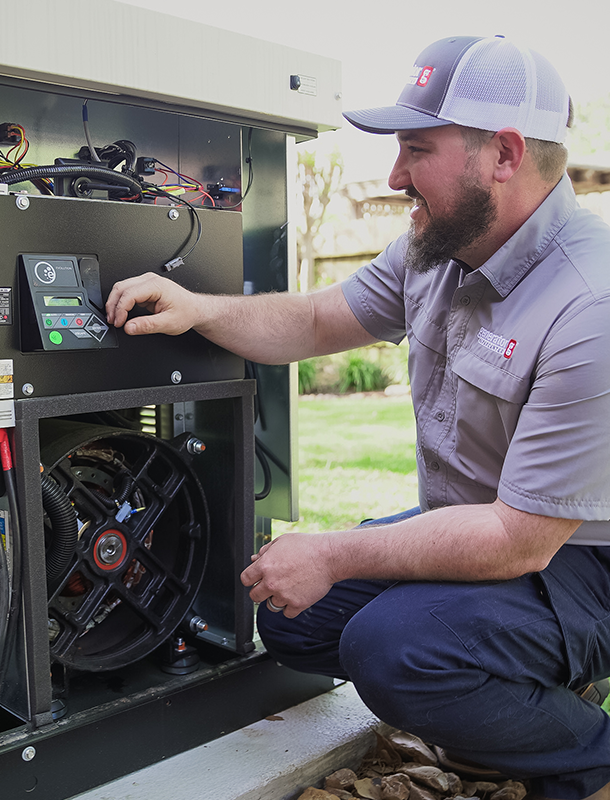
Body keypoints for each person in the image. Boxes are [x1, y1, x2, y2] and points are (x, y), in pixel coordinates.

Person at [105, 35, 610, 800]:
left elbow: (520, 539)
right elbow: (315, 320)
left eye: (416, 149)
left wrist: (339, 553)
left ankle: (588, 758)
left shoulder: (590, 305)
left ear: (503, 154)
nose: (396, 175)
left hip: (580, 555)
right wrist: (198, 309)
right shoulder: (437, 249)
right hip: (485, 524)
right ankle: (518, 694)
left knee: (392, 650)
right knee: (287, 614)